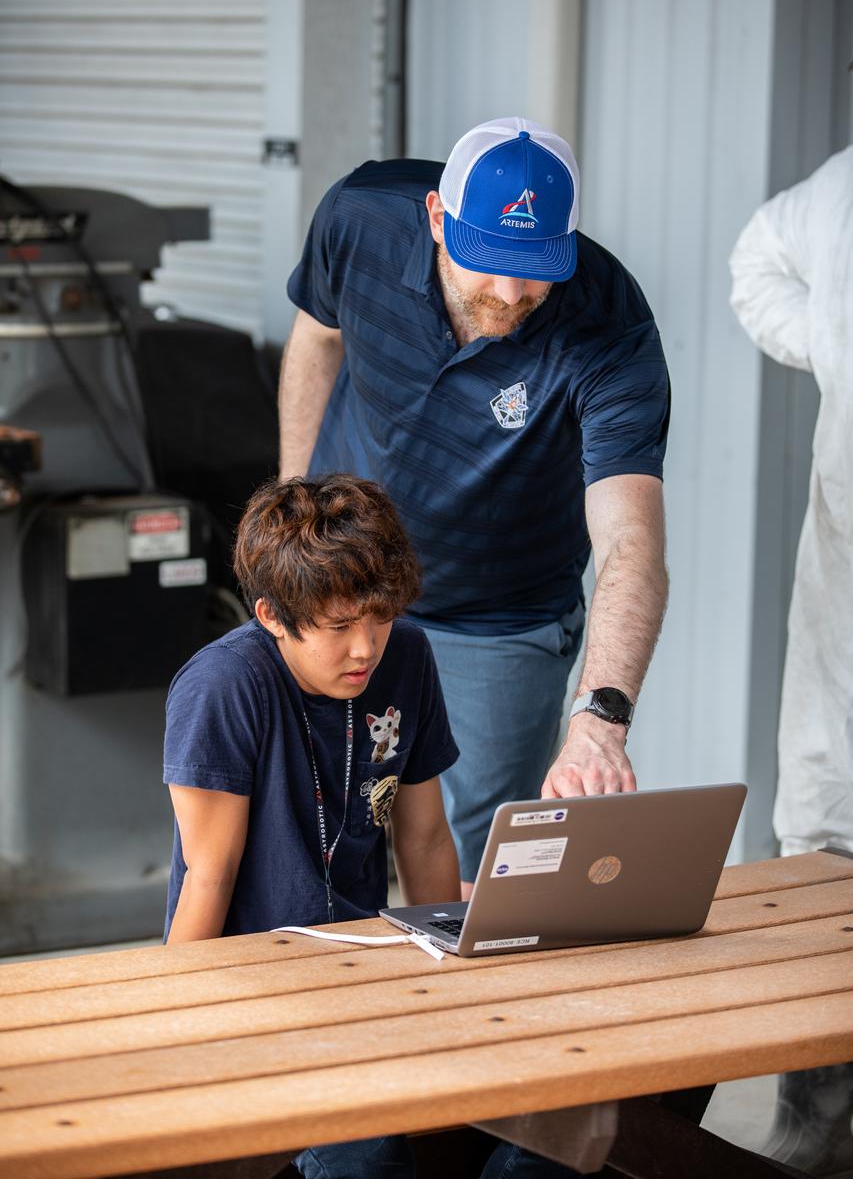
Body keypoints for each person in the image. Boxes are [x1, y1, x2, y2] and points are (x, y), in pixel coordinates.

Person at [279, 117, 671, 896]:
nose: (510, 294)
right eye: (489, 263)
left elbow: (631, 544)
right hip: (343, 580)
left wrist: (599, 721)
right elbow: (318, 339)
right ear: (436, 217)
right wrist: (292, 512)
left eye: (535, 269)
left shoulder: (608, 327)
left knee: (483, 862)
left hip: (500, 616)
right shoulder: (359, 218)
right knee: (313, 824)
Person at [163, 473, 463, 1178]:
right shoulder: (222, 686)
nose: (365, 648)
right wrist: (174, 1024)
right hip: (254, 980)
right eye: (339, 626)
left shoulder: (407, 656)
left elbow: (423, 837)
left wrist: (453, 982)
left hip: (371, 965)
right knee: (370, 1158)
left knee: (534, 1112)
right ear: (272, 615)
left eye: (379, 617)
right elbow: (209, 873)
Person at [729, 146, 853, 1177]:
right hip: (845, 581)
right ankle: (818, 1128)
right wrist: (828, 342)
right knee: (825, 835)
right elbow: (756, 261)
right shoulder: (844, 185)